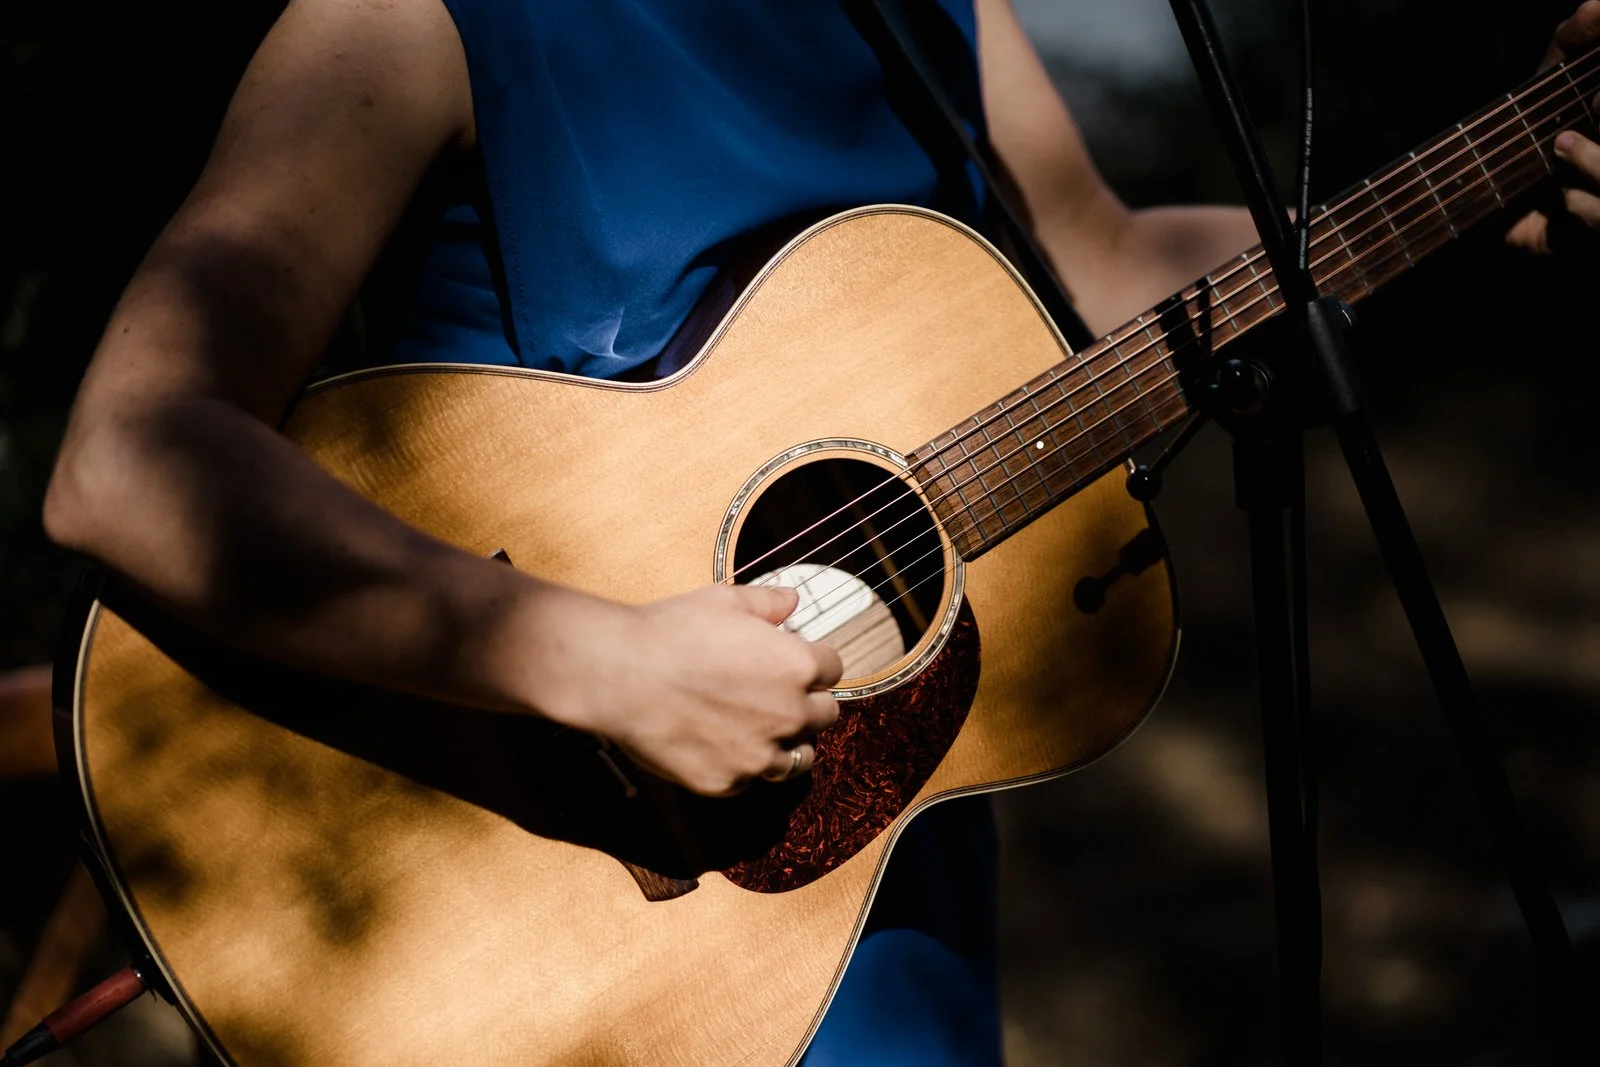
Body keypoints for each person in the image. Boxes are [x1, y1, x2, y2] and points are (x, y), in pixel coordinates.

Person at [40, 0, 1600, 1061]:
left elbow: (1103, 274)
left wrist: (1482, 193)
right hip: (548, 885)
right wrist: (599, 663)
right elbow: (127, 457)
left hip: (863, 888)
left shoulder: (931, 9)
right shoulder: (417, 13)